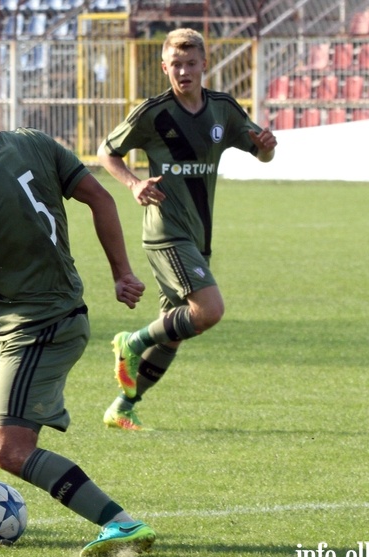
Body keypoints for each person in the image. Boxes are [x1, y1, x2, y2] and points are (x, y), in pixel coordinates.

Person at [0, 74, 156, 557]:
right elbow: (102, 198)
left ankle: (120, 523)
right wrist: (121, 273)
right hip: (32, 320)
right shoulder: (34, 141)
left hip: (37, 329)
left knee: (11, 450)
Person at [96, 28, 278, 431]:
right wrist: (134, 184)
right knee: (208, 311)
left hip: (198, 235)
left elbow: (263, 154)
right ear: (164, 67)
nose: (183, 71)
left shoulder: (223, 110)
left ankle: (123, 406)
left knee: (175, 331)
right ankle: (131, 342)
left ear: (203, 65)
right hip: (165, 232)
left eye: (190, 63)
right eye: (175, 65)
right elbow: (107, 151)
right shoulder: (153, 112)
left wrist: (267, 145)